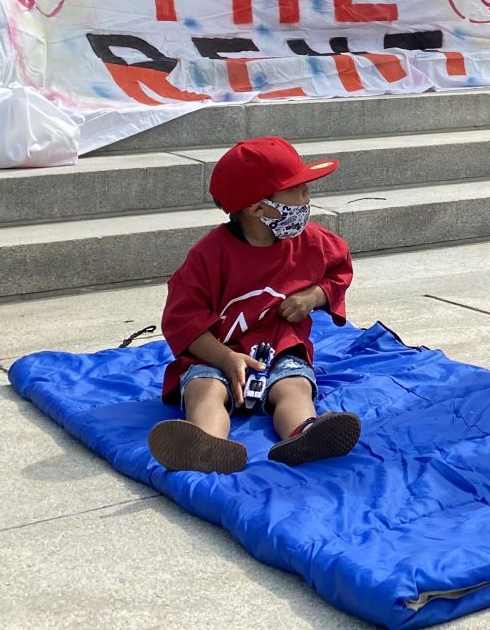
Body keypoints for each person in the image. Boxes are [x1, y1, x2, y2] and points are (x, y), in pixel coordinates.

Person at [148, 136, 360, 474]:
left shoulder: (312, 241)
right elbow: (181, 321)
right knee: (205, 389)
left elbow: (339, 270)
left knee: (294, 387)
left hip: (281, 350)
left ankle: (305, 433)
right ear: (259, 208)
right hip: (216, 354)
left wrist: (314, 296)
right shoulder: (209, 256)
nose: (307, 198)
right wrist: (226, 359)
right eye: (298, 191)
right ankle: (207, 443)